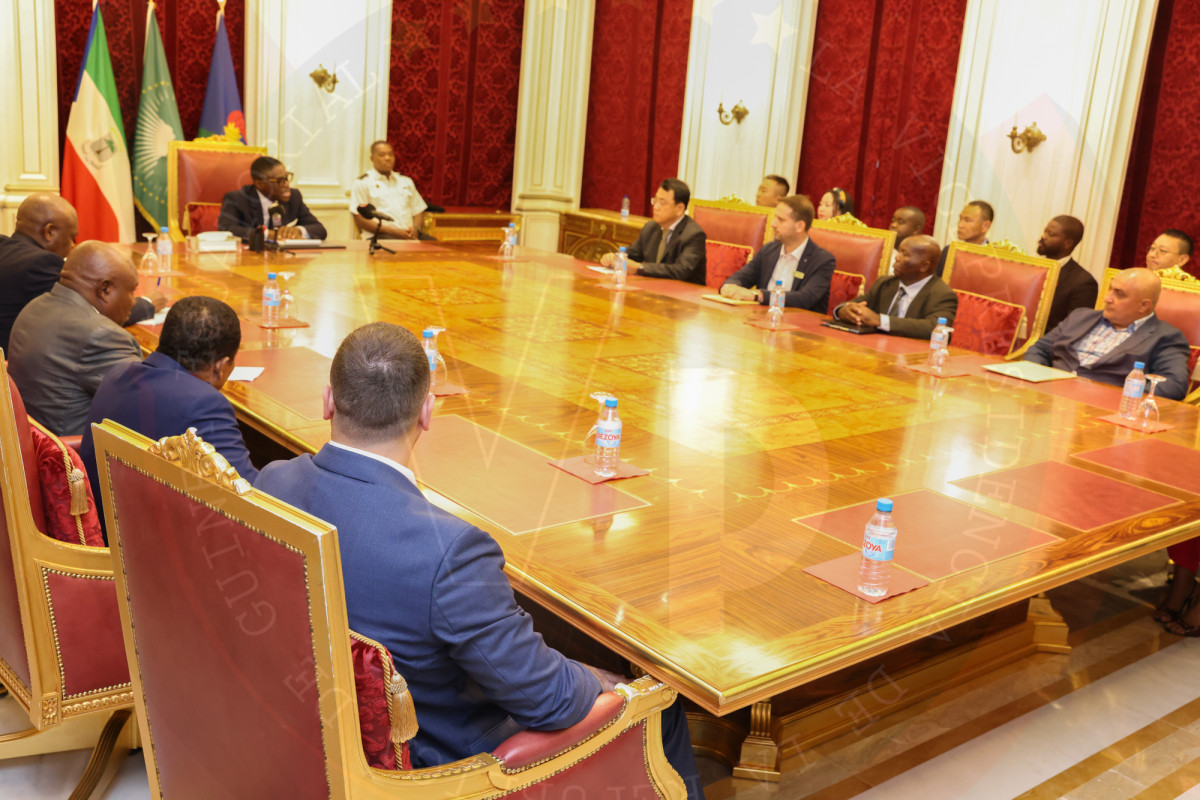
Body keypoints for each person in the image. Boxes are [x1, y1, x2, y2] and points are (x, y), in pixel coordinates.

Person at [253, 323, 703, 795]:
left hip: (306, 718)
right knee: (662, 706)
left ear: (328, 400)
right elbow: (548, 702)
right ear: (427, 412)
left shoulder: (274, 482)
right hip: (431, 761)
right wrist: (602, 679)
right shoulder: (450, 552)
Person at [79, 296, 257, 539]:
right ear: (221, 366)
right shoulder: (205, 403)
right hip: (146, 548)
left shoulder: (117, 373)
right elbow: (249, 496)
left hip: (99, 527)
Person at [7, 242, 142, 436]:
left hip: (32, 441)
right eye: (132, 291)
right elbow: (146, 407)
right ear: (105, 290)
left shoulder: (33, 307)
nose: (134, 301)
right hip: (71, 452)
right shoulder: (102, 335)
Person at [0, 193, 158, 353]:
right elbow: (92, 310)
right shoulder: (41, 263)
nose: (72, 245)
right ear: (49, 232)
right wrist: (148, 303)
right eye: (71, 237)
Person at [1024, 268, 1190, 400]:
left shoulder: (1166, 337)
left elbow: (1174, 385)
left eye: (1119, 294)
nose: (1108, 298)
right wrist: (1037, 380)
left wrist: (1120, 397)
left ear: (1143, 306)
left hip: (1100, 410)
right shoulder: (1080, 316)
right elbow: (1039, 350)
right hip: (1046, 398)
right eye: (1110, 289)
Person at [719, 194, 836, 310]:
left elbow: (804, 299)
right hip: (761, 317)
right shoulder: (768, 251)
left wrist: (759, 296)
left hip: (799, 320)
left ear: (800, 226)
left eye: (781, 220)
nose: (773, 224)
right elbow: (740, 277)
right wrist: (729, 287)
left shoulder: (822, 260)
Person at [832, 235, 957, 338]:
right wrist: (843, 311)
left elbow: (935, 328)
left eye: (904, 254)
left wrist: (880, 321)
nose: (897, 257)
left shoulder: (942, 294)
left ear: (924, 266)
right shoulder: (885, 283)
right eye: (899, 251)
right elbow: (857, 304)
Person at [599, 178, 706, 284]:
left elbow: (680, 271)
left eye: (662, 203)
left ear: (680, 209)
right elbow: (633, 254)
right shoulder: (651, 227)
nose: (656, 207)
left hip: (684, 292)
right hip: (654, 287)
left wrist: (639, 268)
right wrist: (616, 257)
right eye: (655, 201)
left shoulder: (693, 235)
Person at [218, 156, 327, 241]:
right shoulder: (237, 198)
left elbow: (320, 229)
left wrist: (298, 231)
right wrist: (268, 234)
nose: (287, 184)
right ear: (260, 184)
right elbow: (226, 229)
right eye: (280, 181)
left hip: (283, 259)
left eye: (286, 177)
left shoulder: (294, 197)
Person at [349, 140, 431, 241]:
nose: (387, 158)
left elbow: (418, 210)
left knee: (437, 246)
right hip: (380, 236)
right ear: (372, 159)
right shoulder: (363, 182)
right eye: (382, 155)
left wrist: (415, 229)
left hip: (409, 235)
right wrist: (393, 232)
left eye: (390, 154)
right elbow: (359, 219)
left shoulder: (405, 181)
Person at [1036, 215, 1098, 332]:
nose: (1043, 237)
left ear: (1067, 243)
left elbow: (1074, 329)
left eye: (1051, 234)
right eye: (1045, 232)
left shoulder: (1083, 283)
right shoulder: (1032, 268)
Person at [935, 200, 993, 277]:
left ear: (985, 226)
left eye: (967, 220)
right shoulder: (948, 251)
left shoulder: (994, 259)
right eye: (960, 218)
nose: (960, 225)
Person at [888, 205, 926, 273]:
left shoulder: (922, 256)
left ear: (916, 230)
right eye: (893, 221)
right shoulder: (883, 248)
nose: (893, 225)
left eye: (900, 222)